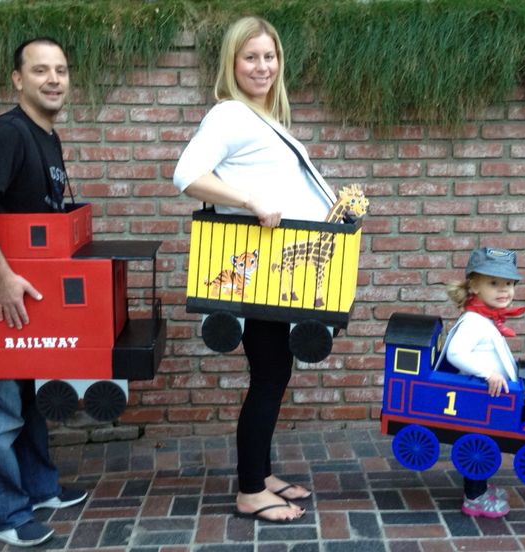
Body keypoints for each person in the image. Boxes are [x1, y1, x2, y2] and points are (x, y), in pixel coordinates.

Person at [173, 16, 338, 523]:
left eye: (269, 57)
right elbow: (186, 175)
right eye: (250, 57)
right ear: (232, 63)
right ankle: (249, 490)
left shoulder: (262, 117)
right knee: (268, 374)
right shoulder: (229, 116)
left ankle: (260, 472)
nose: (262, 66)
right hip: (261, 270)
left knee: (273, 370)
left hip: (279, 271)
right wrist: (248, 199)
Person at [0, 37, 86, 547]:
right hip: (0, 298)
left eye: (61, 71)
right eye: (40, 70)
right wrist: (3, 277)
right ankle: (4, 514)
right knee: (1, 406)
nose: (53, 79)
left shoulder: (46, 135)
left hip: (29, 300)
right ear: (17, 80)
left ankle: (39, 488)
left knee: (28, 399)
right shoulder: (6, 134)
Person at [439, 246, 525, 518]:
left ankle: (480, 489)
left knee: (484, 445)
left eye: (509, 283)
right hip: (476, 400)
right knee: (478, 447)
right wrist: (487, 373)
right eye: (494, 282)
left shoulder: (485, 317)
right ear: (474, 286)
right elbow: (455, 352)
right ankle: (474, 498)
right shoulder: (474, 321)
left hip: (488, 398)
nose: (505, 290)